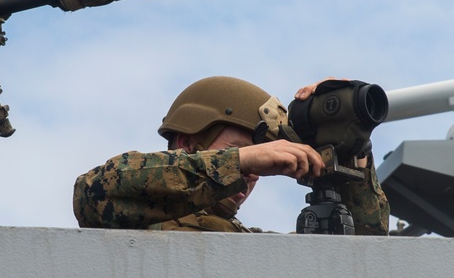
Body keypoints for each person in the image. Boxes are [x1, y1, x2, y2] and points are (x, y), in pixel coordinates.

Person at [72, 76, 390, 234]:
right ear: (186, 142)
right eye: (236, 150)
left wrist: (354, 146)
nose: (255, 173)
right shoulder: (135, 220)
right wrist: (241, 162)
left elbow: (365, 252)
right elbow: (93, 193)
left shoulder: (251, 247)